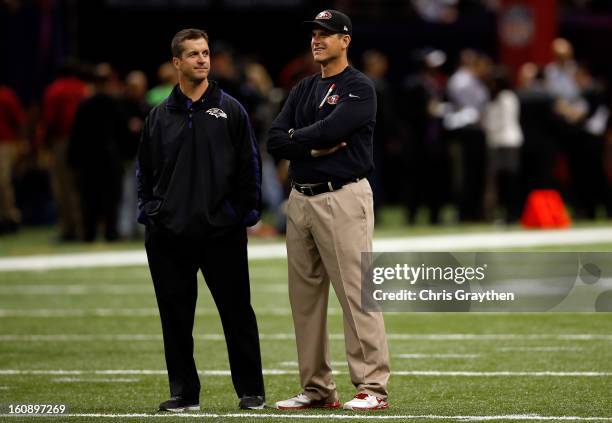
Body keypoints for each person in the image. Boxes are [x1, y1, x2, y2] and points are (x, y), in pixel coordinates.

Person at [267, 10, 390, 411]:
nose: (318, 40)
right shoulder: (303, 88)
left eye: (327, 34)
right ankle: (318, 388)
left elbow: (332, 131)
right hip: (300, 199)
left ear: (346, 40)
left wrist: (298, 140)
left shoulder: (359, 87)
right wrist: (309, 144)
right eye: (315, 34)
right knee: (304, 301)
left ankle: (372, 386)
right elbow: (273, 139)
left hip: (342, 196)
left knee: (356, 294)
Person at [137, 28, 265, 412]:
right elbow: (144, 170)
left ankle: (251, 391)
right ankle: (184, 393)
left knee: (237, 312)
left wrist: (241, 214)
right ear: (176, 62)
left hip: (221, 232)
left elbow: (249, 166)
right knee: (175, 318)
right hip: (169, 234)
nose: (202, 59)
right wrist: (152, 212)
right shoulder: (159, 115)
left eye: (205, 52)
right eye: (192, 54)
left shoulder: (231, 109)